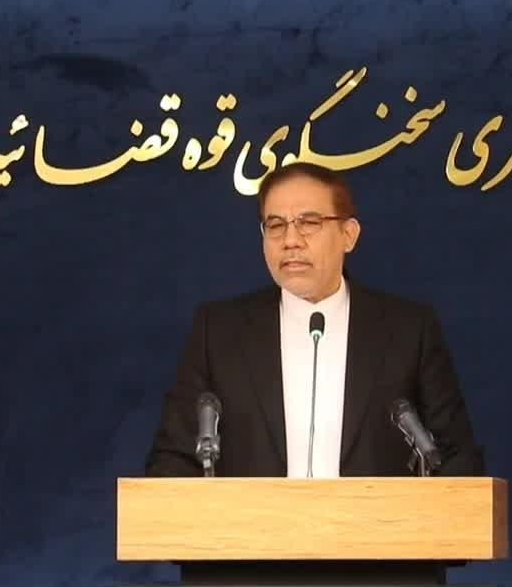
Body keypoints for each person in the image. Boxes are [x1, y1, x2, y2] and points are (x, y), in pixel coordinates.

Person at [145, 162, 484, 478]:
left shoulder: (408, 330)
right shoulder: (219, 331)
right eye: (275, 225)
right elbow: (173, 460)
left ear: (349, 235)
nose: (290, 241)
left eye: (309, 223)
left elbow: (454, 458)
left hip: (376, 524)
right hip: (250, 524)